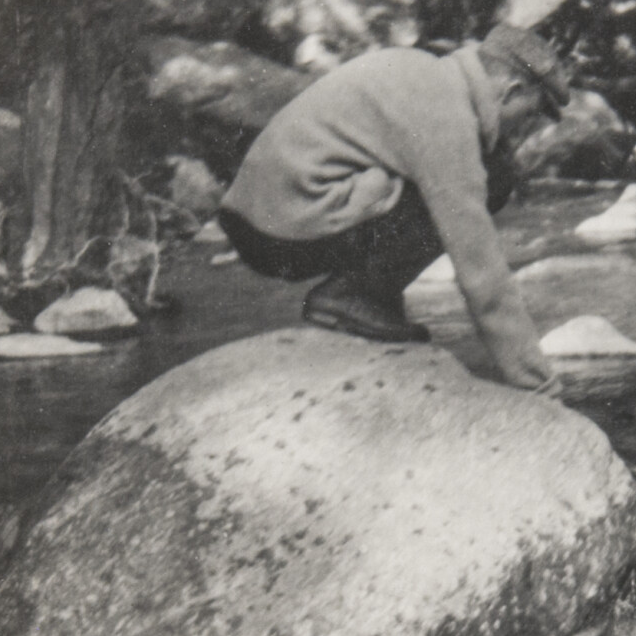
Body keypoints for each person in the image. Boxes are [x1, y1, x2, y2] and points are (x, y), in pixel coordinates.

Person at [218, 23, 570, 395]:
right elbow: (481, 272)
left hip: (259, 217)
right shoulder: (446, 115)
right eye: (531, 115)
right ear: (511, 91)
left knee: (481, 173)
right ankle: (349, 297)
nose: (523, 130)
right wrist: (539, 386)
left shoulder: (426, 72)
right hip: (279, 230)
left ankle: (368, 299)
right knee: (494, 177)